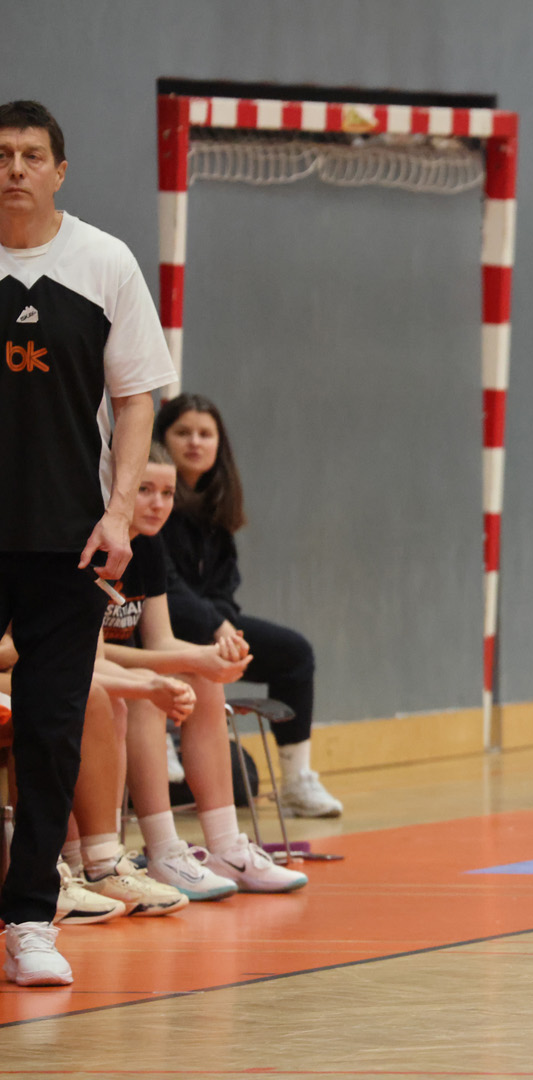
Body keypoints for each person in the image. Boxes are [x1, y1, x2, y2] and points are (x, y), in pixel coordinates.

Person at [0, 100, 176, 986]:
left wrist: (117, 513)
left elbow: (138, 396)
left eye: (32, 155)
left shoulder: (104, 262)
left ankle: (31, 918)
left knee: (49, 732)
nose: (15, 169)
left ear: (59, 170)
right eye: (2, 154)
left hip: (65, 539)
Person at [98, 443, 308, 894]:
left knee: (205, 683)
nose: (158, 504)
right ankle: (163, 851)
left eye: (167, 493)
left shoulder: (148, 546)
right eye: (144, 490)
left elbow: (160, 639)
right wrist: (192, 658)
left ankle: (227, 847)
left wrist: (210, 658)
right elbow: (90, 654)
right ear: (118, 488)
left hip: (124, 670)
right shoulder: (97, 545)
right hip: (91, 674)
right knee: (147, 691)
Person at [156, 393, 342, 818]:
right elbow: (164, 586)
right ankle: (160, 739)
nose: (195, 442)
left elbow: (224, 586)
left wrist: (222, 628)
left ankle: (296, 781)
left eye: (205, 434)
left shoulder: (216, 508)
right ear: (163, 440)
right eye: (183, 432)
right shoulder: (155, 503)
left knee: (294, 653)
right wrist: (215, 625)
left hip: (211, 628)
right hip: (160, 629)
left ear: (219, 444)